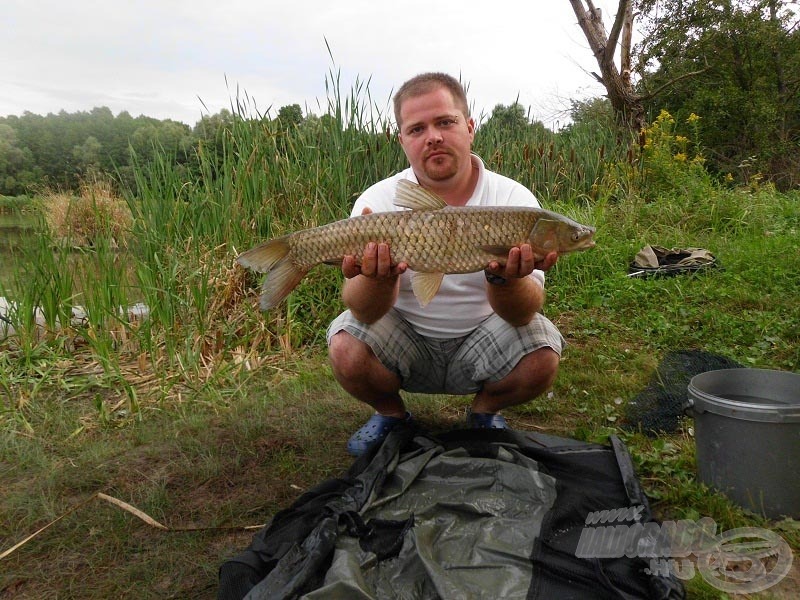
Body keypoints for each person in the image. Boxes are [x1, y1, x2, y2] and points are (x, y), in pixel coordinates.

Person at [326, 72, 564, 456]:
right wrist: (379, 279)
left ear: (470, 128)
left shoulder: (512, 199)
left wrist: (505, 280)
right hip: (405, 339)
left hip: (482, 340)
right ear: (401, 140)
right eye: (417, 128)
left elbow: (522, 314)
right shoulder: (380, 201)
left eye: (445, 122)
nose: (433, 136)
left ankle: (485, 413)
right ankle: (391, 416)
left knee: (541, 351)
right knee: (345, 346)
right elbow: (362, 309)